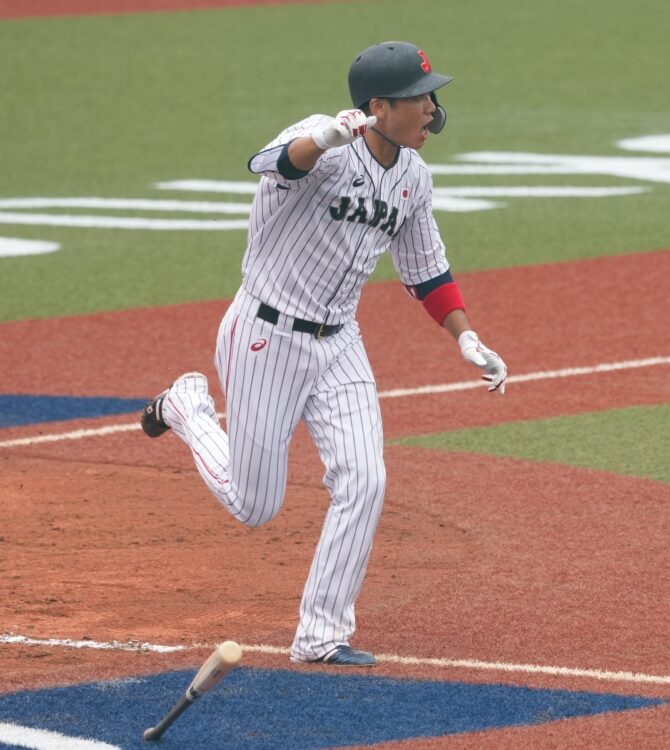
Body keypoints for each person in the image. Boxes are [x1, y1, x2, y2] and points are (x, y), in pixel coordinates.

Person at [140, 41, 507, 667]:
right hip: (266, 336)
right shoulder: (322, 143)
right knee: (255, 506)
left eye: (430, 96)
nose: (431, 108)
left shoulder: (414, 177)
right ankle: (187, 407)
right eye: (418, 98)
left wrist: (465, 335)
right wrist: (328, 137)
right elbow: (270, 162)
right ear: (378, 106)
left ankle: (320, 634)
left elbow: (426, 269)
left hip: (340, 343)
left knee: (364, 480)